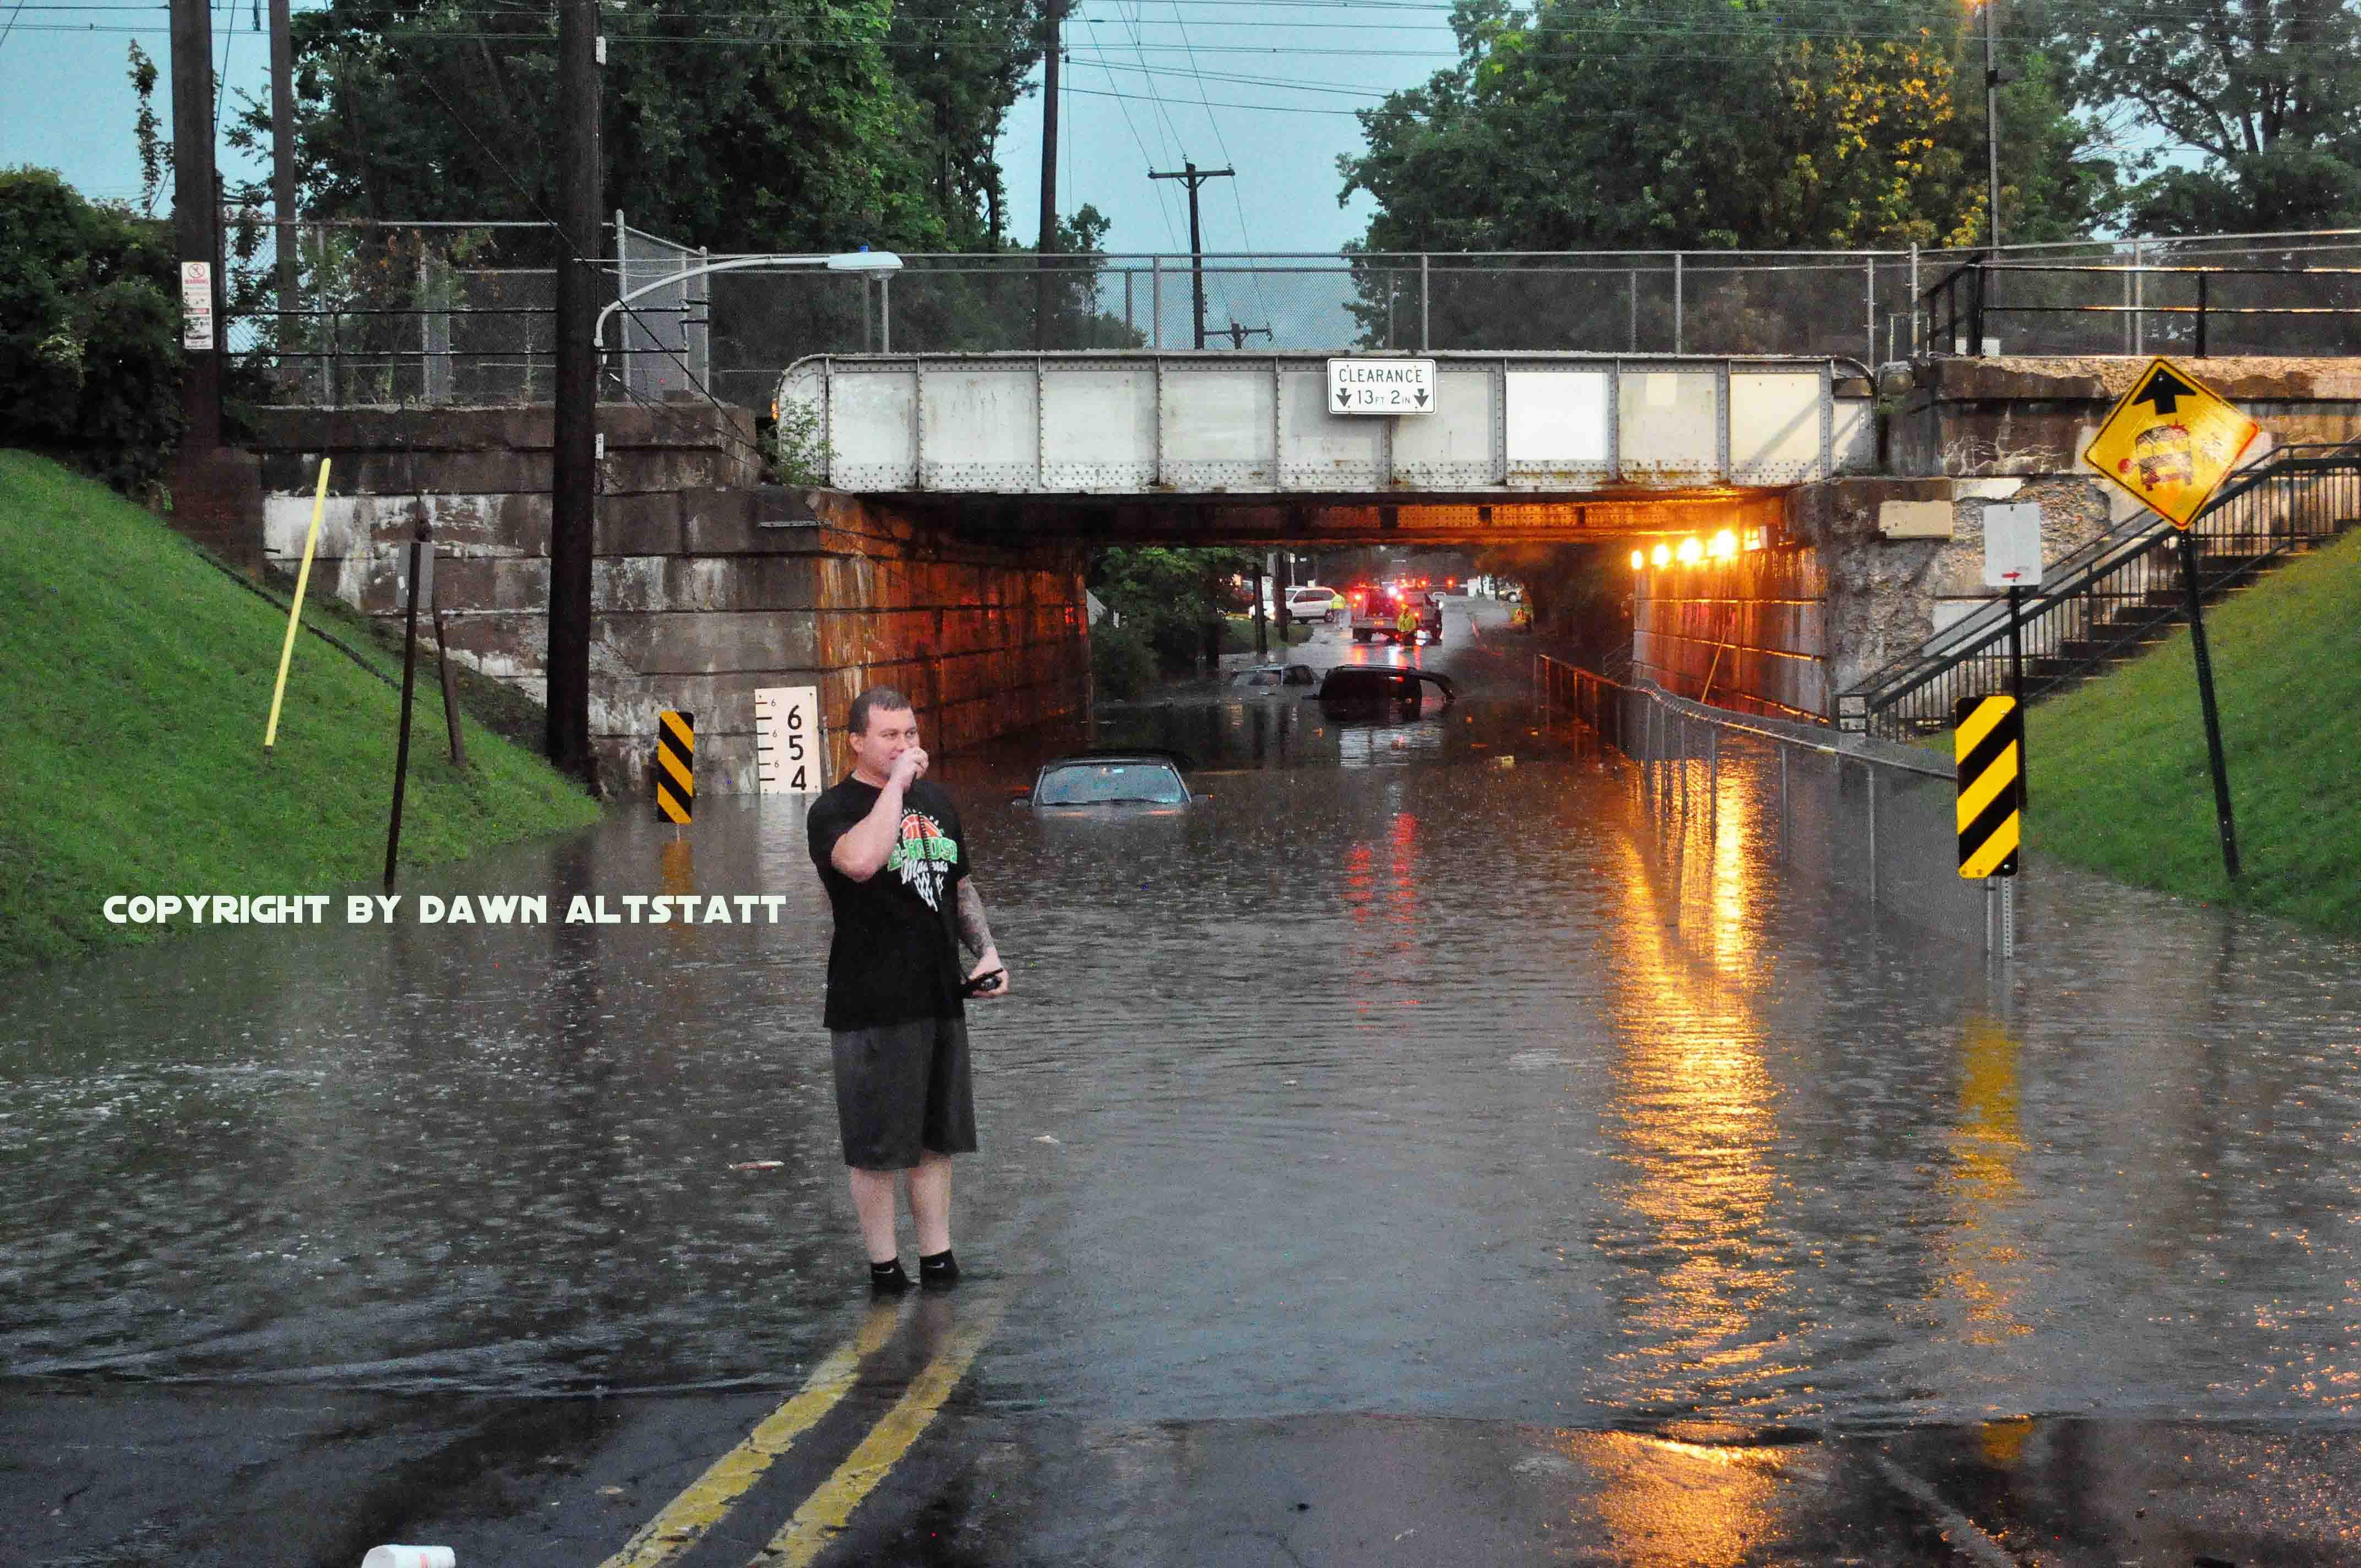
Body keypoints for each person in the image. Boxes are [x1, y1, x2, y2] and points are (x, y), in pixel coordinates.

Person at [805, 687, 1009, 1293]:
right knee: (875, 1148)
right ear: (857, 742)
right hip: (870, 1003)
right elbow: (863, 862)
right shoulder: (833, 809)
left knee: (934, 1140)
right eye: (890, 736)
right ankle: (884, 1268)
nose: (904, 746)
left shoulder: (940, 801)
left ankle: (939, 1260)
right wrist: (894, 787)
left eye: (911, 734)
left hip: (939, 995)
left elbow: (960, 886)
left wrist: (988, 953)